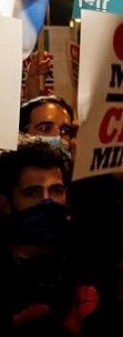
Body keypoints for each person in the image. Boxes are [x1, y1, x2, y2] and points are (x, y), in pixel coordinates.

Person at [0, 136, 110, 337]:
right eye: (32, 193)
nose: (47, 202)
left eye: (56, 190)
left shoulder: (84, 252)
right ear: (6, 204)